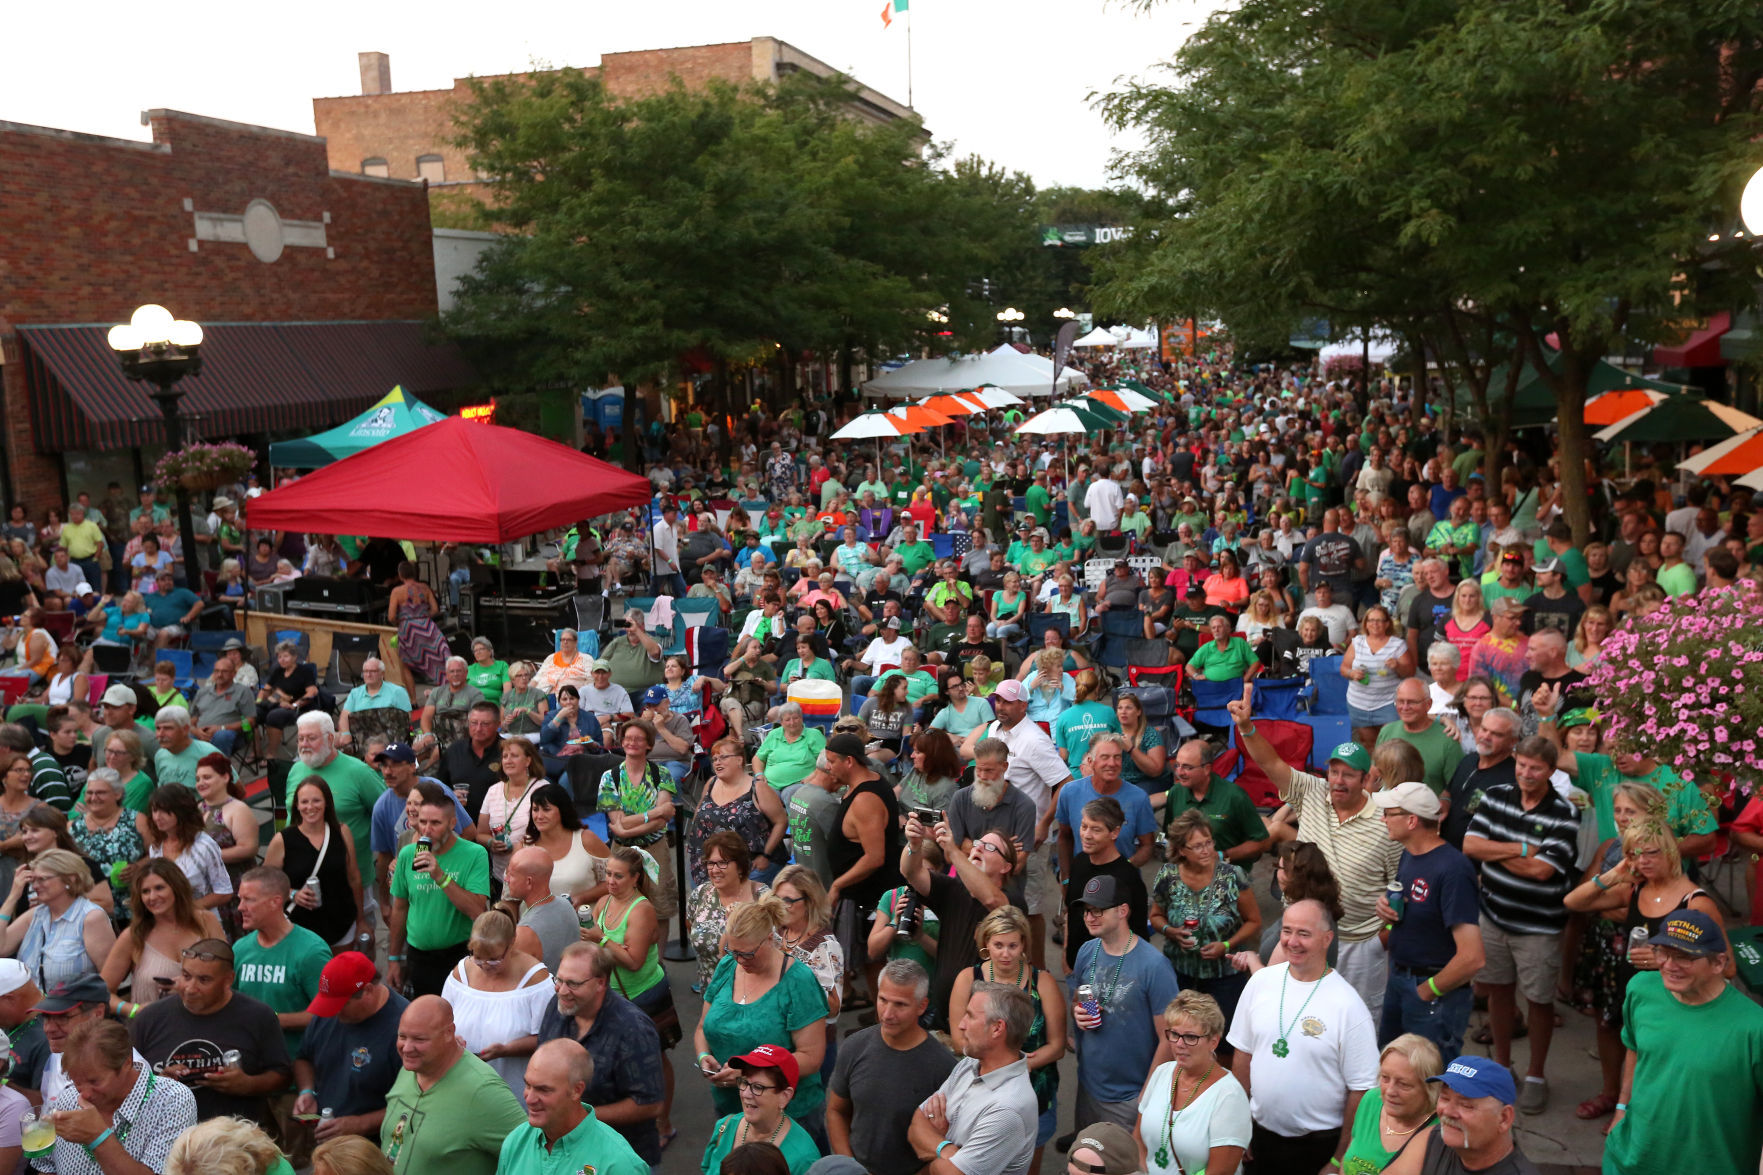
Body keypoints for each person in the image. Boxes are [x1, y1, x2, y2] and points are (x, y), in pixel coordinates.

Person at [1227, 686, 1399, 1015]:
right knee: (1296, 1012)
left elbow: (1398, 885)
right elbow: (1270, 762)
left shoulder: (1384, 820)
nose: (1337, 781)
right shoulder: (1312, 791)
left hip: (1356, 942)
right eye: (1334, 771)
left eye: (1348, 774)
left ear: (1365, 780)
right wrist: (1247, 727)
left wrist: (1383, 938)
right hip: (1303, 933)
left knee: (1359, 1016)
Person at [1461, 736, 1579, 1114]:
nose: (1527, 774)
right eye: (1522, 765)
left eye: (1536, 768)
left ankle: (1536, 1076)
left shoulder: (1564, 813)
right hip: (1493, 916)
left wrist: (1499, 850)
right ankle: (1501, 1068)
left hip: (1539, 928)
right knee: (1498, 992)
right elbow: (1471, 846)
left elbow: (1544, 872)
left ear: (1552, 771)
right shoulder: (1495, 795)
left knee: (1539, 1001)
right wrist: (1523, 848)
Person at [1602, 910, 1763, 1175]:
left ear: (1718, 963)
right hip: (1629, 1159)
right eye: (1662, 952)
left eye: (1685, 956)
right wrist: (1621, 1107)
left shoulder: (1754, 1028)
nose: (1669, 965)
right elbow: (1635, 1048)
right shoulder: (1641, 988)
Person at [1225, 900, 1379, 1175]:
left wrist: (1338, 1158)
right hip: (1260, 1138)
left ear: (1326, 939)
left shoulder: (1348, 1006)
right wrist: (1238, 1127)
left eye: (1303, 933)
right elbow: (1243, 1055)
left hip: (1318, 1147)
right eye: (1287, 931)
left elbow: (1362, 1089)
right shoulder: (1261, 983)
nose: (1292, 942)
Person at [695, 895, 829, 1142]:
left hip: (788, 1118)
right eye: (732, 951)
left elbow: (811, 1058)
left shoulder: (798, 982)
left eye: (748, 954)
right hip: (732, 1112)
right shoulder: (727, 967)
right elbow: (703, 1027)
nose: (740, 961)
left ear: (770, 938)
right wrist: (704, 1057)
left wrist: (747, 1075)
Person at [957, 679, 1072, 968]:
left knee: (1029, 909)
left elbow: (1065, 784)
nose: (1001, 707)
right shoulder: (995, 729)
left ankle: (1038, 971)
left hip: (1026, 839)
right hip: (994, 839)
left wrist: (1044, 825)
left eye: (1008, 702)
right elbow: (968, 751)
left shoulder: (1034, 740)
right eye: (998, 701)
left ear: (1024, 705)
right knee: (994, 904)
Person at [1370, 783, 1483, 1061]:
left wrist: (1426, 991)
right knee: (1393, 1070)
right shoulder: (1409, 854)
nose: (1383, 818)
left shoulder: (1453, 870)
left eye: (1389, 813)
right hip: (1400, 980)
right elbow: (1413, 913)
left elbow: (1473, 958)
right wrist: (1387, 916)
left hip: (1433, 993)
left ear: (1411, 820)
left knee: (1430, 1085)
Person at [129, 936, 292, 1125]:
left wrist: (247, 1085)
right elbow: (125, 1078)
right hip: (168, 1137)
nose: (190, 988)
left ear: (228, 980)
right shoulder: (149, 1019)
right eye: (186, 976)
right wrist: (159, 1084)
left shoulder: (258, 1017)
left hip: (235, 1137)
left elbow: (283, 1076)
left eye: (204, 980)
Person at [945, 909, 1065, 1163]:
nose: (1005, 953)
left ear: (1024, 944)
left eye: (1013, 945)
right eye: (998, 945)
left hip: (1034, 1091)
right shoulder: (968, 979)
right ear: (985, 944)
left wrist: (1016, 1067)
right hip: (978, 1092)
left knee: (1027, 1163)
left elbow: (1057, 1046)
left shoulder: (1042, 982)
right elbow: (958, 1040)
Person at [1066, 875, 1181, 1135]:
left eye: (1098, 910)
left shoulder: (1154, 966)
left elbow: (1170, 1038)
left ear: (1123, 910)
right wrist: (1077, 1013)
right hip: (1088, 1087)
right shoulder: (1087, 950)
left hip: (1130, 1096)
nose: (1090, 917)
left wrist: (1146, 1098)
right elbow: (1077, 999)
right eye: (1086, 911)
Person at [826, 959, 958, 1175]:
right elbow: (836, 1111)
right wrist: (849, 1166)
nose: (887, 1014)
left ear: (922, 1006)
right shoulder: (855, 1047)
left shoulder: (943, 1068)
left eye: (900, 1004)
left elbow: (950, 1145)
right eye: (883, 1000)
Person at [538, 943, 665, 1166]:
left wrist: (578, 1115)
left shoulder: (632, 1029)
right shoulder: (558, 1006)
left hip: (617, 1158)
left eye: (574, 984)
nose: (562, 990)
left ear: (601, 983)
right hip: (565, 1152)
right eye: (559, 980)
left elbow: (650, 1104)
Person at [583, 847, 677, 1141]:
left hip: (645, 994)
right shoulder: (602, 903)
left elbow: (634, 962)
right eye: (608, 874)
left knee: (655, 1058)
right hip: (611, 997)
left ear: (635, 878)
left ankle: (663, 1124)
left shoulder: (642, 909)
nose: (611, 881)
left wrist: (603, 939)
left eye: (618, 876)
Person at [380, 995, 528, 1175]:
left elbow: (532, 1154)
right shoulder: (412, 1066)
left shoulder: (483, 1091)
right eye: (402, 1036)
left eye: (420, 1039)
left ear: (448, 1033)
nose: (407, 1048)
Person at [1149, 810, 1260, 1040]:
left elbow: (1254, 921)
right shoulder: (1168, 876)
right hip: (1180, 973)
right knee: (1181, 1037)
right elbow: (1156, 916)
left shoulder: (1232, 877)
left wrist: (1227, 944)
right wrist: (1170, 931)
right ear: (1181, 850)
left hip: (1224, 976)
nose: (1206, 850)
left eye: (1208, 842)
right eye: (1197, 846)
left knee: (1224, 1040)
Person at [906, 981, 1038, 1175]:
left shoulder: (1009, 1109)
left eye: (970, 1016)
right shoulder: (970, 1063)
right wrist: (947, 1148)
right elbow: (916, 1124)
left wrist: (935, 1144)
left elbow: (947, 1173)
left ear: (997, 1028)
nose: (961, 1025)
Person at [37, 1019, 198, 1175]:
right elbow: (47, 1167)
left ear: (126, 1062)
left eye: (95, 1081)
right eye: (77, 1082)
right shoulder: (68, 1098)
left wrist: (98, 1136)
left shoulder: (172, 1100)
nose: (84, 1093)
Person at [388, 785, 492, 997]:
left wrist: (441, 877)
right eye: (423, 822)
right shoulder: (408, 854)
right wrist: (393, 958)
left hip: (460, 955)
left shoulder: (474, 854)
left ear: (452, 823)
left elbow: (476, 910)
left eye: (435, 823)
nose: (427, 829)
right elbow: (399, 908)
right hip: (419, 957)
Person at [295, 951, 409, 1143]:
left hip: (374, 1149)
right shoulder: (328, 1014)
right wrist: (307, 1091)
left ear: (368, 991)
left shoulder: (404, 1029)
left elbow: (413, 1104)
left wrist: (361, 1124)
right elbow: (303, 1058)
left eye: (342, 1004)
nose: (334, 1012)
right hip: (329, 1140)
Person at [1134, 991, 1252, 1175]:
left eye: (1190, 1037)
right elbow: (1138, 1141)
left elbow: (1220, 1171)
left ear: (1213, 1042)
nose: (1179, 1044)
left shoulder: (1229, 1096)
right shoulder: (1161, 1073)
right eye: (1174, 1034)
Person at [442, 910, 551, 1099]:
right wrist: (450, 1038)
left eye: (493, 959)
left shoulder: (537, 981)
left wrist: (506, 1050)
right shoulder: (461, 973)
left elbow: (548, 1039)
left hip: (512, 1092)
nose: (484, 965)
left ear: (511, 945)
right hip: (463, 1089)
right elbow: (440, 1021)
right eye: (477, 957)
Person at [231, 866, 332, 1069]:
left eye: (249, 899)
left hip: (296, 1075)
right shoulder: (240, 949)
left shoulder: (311, 951)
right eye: (240, 899)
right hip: (250, 1073)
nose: (240, 907)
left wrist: (269, 1020)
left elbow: (328, 1014)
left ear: (275, 901)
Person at [499, 1038, 647, 1175]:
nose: (529, 1099)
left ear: (577, 1090)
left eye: (543, 1090)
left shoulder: (619, 1164)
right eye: (528, 1085)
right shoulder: (516, 1142)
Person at [100, 861, 224, 1015]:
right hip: (153, 1031)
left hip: (206, 1024)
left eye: (159, 888)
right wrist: (133, 1010)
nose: (152, 897)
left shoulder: (206, 921)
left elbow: (226, 975)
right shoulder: (133, 935)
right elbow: (101, 994)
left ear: (177, 888)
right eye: (145, 891)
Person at [1381, 1055, 1539, 1175]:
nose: (1448, 1111)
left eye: (1466, 1105)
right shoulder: (1433, 1140)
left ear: (1504, 1118)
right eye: (1444, 1098)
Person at [286, 712, 387, 889]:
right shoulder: (295, 770)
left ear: (330, 738)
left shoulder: (360, 772)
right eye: (300, 739)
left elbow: (386, 815)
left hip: (351, 881)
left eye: (311, 738)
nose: (304, 745)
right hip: (304, 878)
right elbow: (290, 816)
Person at [264, 776, 365, 952]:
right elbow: (265, 884)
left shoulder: (342, 832)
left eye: (316, 800)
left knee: (340, 976)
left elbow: (354, 878)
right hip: (300, 927)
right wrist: (292, 894)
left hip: (341, 922)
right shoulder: (282, 840)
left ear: (327, 803)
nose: (310, 807)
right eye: (304, 802)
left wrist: (361, 920)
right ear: (296, 805)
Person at [598, 720, 680, 922]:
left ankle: (658, 956)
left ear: (649, 744)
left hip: (655, 849)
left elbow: (661, 823)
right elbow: (619, 822)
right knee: (622, 907)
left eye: (638, 739)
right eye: (628, 738)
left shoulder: (661, 774)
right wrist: (653, 813)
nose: (632, 742)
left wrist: (626, 830)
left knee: (660, 910)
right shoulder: (610, 777)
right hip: (622, 852)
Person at [1, 848, 113, 990]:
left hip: (73, 1009)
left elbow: (109, 978)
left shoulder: (90, 918)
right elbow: (1, 947)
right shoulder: (36, 914)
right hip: (32, 1010)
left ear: (70, 878)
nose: (35, 886)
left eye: (42, 879)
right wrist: (13, 897)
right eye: (33, 880)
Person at [701, 1045, 822, 1175]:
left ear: (784, 1096)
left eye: (758, 1087)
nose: (746, 1094)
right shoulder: (724, 1127)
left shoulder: (804, 1159)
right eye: (744, 1082)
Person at [1063, 797, 1150, 967]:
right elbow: (1071, 913)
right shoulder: (1079, 862)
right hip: (1076, 967)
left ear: (1114, 833)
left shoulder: (1128, 878)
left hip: (1111, 972)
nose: (1087, 835)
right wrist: (1066, 952)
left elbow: (1138, 935)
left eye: (1096, 829)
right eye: (1084, 826)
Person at [1338, 1034, 1443, 1175]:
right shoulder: (1372, 1100)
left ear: (1429, 1089)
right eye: (1385, 1078)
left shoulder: (1441, 1131)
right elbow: (1347, 1158)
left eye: (1404, 1084)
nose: (1390, 1091)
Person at [1162, 738, 1270, 862]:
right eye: (1177, 765)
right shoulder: (1175, 792)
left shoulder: (1234, 796)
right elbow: (1164, 834)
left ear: (1207, 769)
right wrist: (1163, 845)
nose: (1179, 773)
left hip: (1227, 870)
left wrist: (1221, 856)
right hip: (1186, 869)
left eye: (1187, 767)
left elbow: (1262, 842)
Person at [688, 832, 771, 992]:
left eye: (723, 863)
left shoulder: (762, 898)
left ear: (740, 866)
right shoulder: (700, 894)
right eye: (710, 863)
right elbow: (691, 926)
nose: (715, 870)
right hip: (711, 989)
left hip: (752, 990)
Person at [143, 784, 232, 913]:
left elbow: (224, 892)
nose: (157, 817)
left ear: (181, 811)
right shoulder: (156, 848)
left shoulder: (204, 846)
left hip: (202, 921)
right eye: (154, 811)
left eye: (164, 811)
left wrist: (185, 909)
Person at [477, 739, 546, 886]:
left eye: (514, 755)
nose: (508, 760)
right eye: (505, 756)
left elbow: (552, 832)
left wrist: (522, 846)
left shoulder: (542, 789)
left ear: (528, 760)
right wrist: (491, 842)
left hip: (533, 875)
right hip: (500, 877)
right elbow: (480, 834)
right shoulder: (493, 791)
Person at [1375, 680, 1463, 793]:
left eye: (1412, 702)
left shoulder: (1448, 740)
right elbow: (1375, 774)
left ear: (1428, 704)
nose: (1405, 707)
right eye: (1400, 701)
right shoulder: (1387, 731)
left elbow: (1456, 787)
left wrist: (1445, 799)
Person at [502, 846, 578, 975]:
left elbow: (512, 980)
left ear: (529, 882)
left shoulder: (524, 933)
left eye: (511, 874)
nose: (506, 879)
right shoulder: (566, 905)